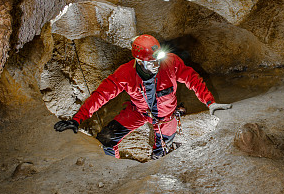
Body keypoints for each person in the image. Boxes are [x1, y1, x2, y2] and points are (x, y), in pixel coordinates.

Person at [54, 34, 232, 159]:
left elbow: (193, 79)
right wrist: (77, 119)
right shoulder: (125, 74)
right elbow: (101, 95)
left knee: (160, 151)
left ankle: (160, 153)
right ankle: (113, 168)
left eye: (157, 59)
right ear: (139, 61)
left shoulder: (170, 62)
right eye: (151, 62)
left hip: (166, 116)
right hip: (139, 112)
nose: (156, 64)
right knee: (106, 140)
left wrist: (210, 102)